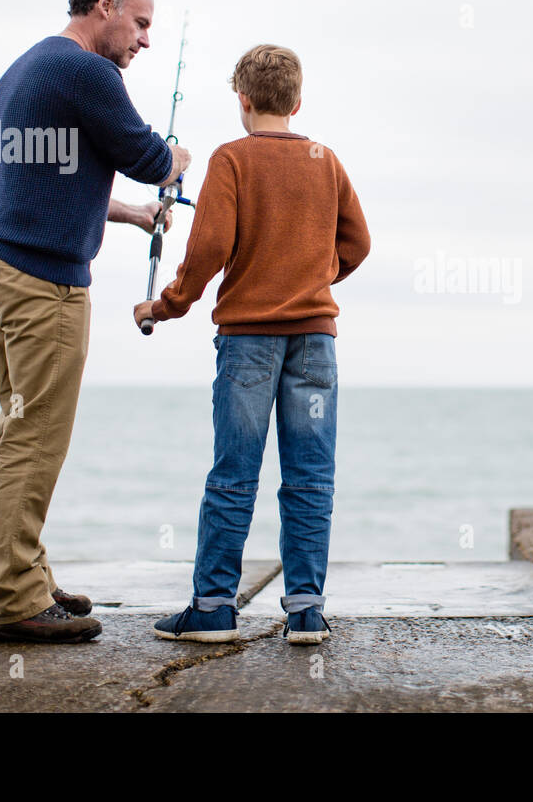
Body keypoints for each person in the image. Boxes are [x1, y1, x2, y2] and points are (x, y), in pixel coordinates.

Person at [0, 0, 191, 643]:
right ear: (105, 5)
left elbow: (60, 173)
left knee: (18, 434)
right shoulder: (89, 73)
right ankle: (15, 600)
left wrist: (130, 216)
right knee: (35, 442)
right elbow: (148, 156)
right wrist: (178, 158)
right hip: (46, 285)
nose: (145, 41)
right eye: (141, 23)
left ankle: (27, 574)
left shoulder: (31, 66)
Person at [135, 44, 370, 645]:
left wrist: (166, 306)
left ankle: (213, 608)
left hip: (248, 345)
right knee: (311, 476)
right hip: (315, 343)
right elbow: (358, 243)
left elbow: (209, 250)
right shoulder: (326, 160)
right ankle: (306, 612)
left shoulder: (231, 159)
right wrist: (311, 278)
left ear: (242, 100)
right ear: (297, 101)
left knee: (234, 474)